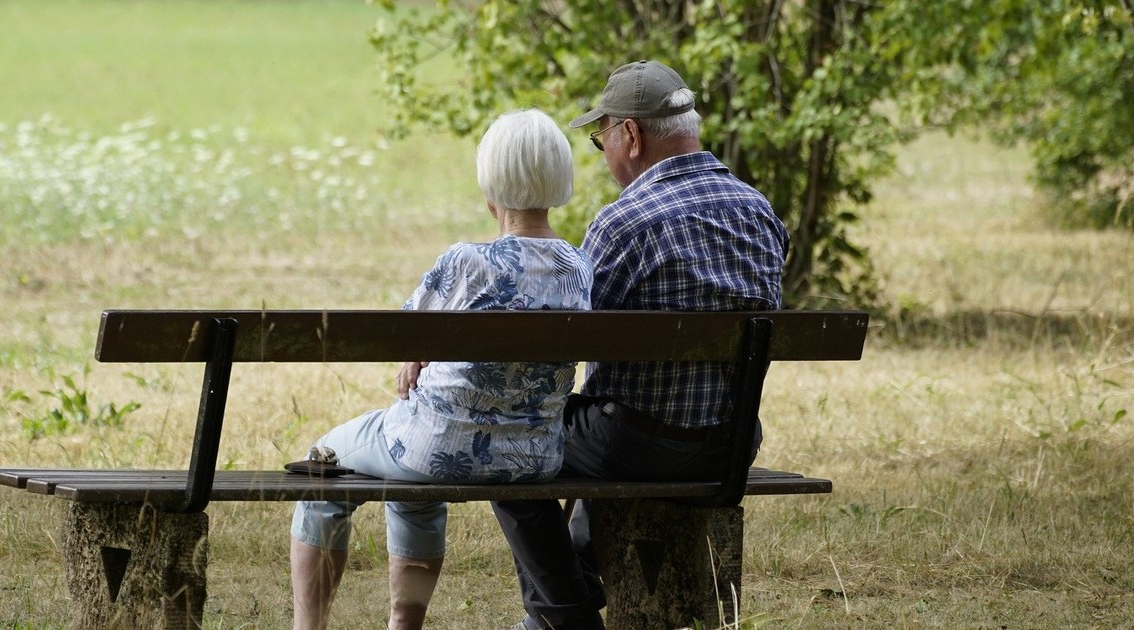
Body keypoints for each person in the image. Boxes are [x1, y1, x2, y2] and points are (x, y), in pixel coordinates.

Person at [491, 60, 789, 630]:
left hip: (635, 445)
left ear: (630, 134)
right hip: (731, 447)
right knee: (598, 421)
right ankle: (565, 600)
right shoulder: (760, 213)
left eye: (601, 138)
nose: (603, 153)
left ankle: (566, 615)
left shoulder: (625, 222)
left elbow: (563, 338)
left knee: (506, 440)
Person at [289, 108, 593, 630]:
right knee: (413, 480)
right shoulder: (579, 267)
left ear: (491, 187)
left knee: (324, 467)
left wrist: (416, 355)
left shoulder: (465, 262)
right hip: (533, 457)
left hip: (436, 448)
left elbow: (407, 333)